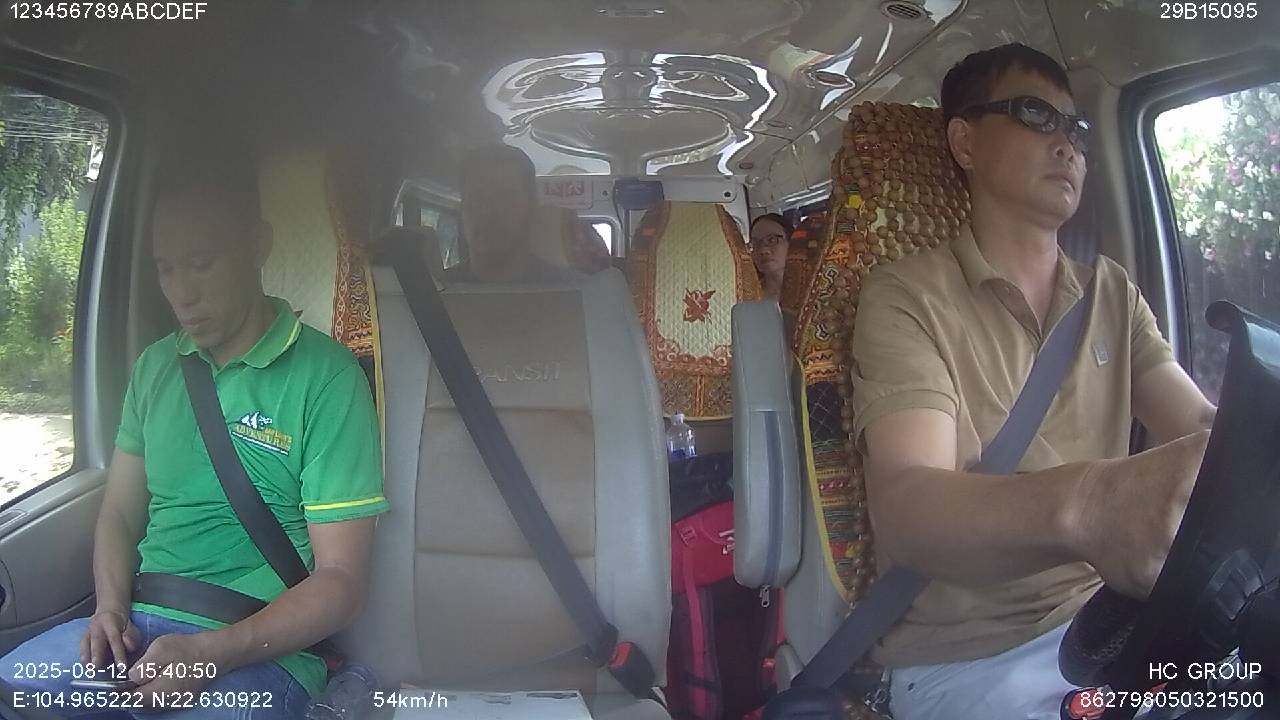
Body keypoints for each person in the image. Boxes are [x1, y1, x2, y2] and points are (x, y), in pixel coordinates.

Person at [848, 43, 1217, 718]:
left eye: (1075, 128)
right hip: (971, 654)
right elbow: (908, 510)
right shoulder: (907, 296)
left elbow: (1198, 426)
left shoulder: (1111, 292)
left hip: (1109, 622)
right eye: (1034, 114)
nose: (1066, 144)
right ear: (964, 141)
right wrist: (1088, 504)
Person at [0, 137, 388, 718]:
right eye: (167, 269)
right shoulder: (155, 367)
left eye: (203, 263)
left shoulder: (326, 377)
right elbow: (119, 512)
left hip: (258, 647)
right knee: (12, 691)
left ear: (257, 246)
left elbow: (342, 582)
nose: (182, 293)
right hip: (138, 629)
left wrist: (208, 655)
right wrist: (109, 610)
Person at [444, 143, 583, 284]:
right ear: (462, 209)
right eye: (476, 199)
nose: (486, 211)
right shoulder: (438, 290)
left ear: (532, 207)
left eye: (504, 198)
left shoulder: (569, 288)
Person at [749, 213, 792, 300]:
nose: (763, 250)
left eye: (772, 240)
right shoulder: (747, 296)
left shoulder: (812, 290)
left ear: (791, 243)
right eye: (755, 243)